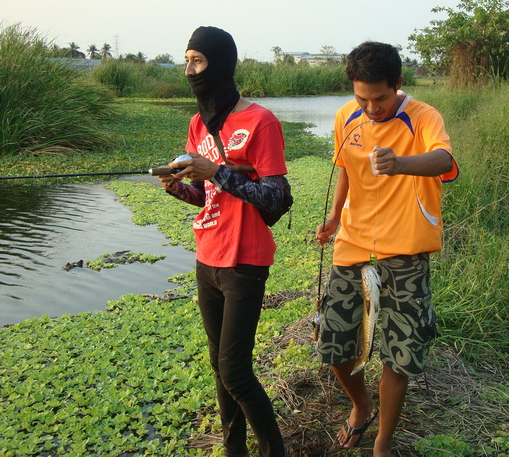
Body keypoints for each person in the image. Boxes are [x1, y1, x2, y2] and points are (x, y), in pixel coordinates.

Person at [315, 41, 459, 456]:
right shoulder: (347, 116)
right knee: (333, 343)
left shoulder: (423, 117)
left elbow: (444, 161)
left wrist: (400, 163)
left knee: (400, 354)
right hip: (353, 244)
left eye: (380, 97)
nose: (371, 107)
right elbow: (346, 170)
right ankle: (362, 405)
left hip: (406, 250)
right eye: (362, 97)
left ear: (398, 84)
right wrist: (335, 215)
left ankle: (383, 442)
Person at [157, 26, 287, 457]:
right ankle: (235, 450)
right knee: (218, 366)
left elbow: (274, 195)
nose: (190, 70)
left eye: (198, 61)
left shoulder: (260, 120)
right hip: (207, 257)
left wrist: (216, 171)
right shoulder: (198, 123)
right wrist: (178, 186)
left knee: (235, 370)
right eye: (186, 61)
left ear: (221, 64)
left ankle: (274, 452)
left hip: (245, 259)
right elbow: (207, 199)